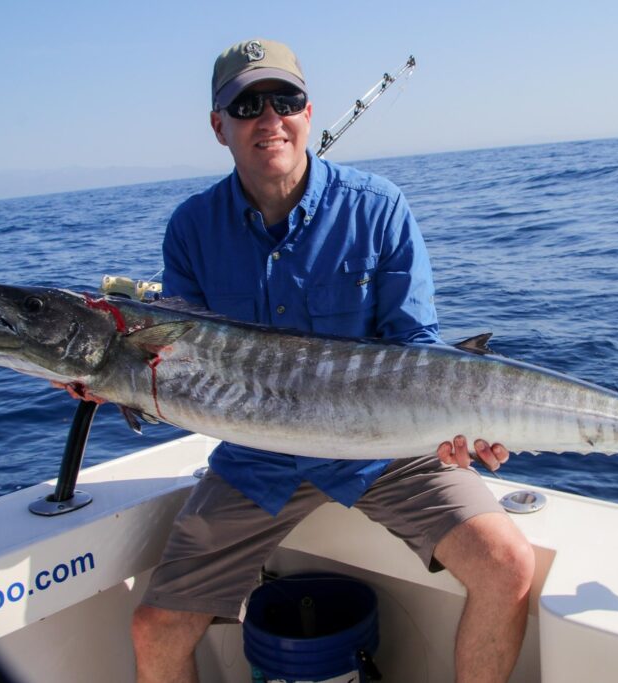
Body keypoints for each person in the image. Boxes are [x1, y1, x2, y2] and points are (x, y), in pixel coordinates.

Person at [130, 38, 535, 683]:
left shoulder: (378, 209)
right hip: (256, 458)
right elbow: (178, 364)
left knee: (507, 565)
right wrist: (117, 386)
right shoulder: (191, 229)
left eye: (284, 99)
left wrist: (458, 428)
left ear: (309, 111)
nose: (269, 118)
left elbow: (414, 349)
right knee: (154, 629)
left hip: (385, 450)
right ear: (218, 126)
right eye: (246, 104)